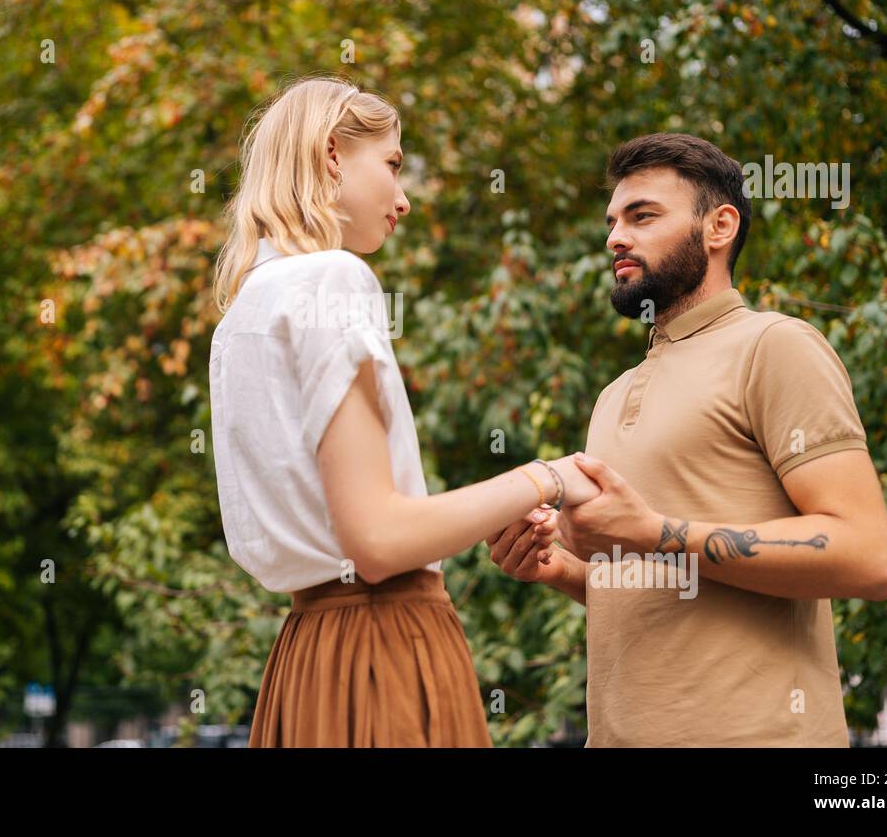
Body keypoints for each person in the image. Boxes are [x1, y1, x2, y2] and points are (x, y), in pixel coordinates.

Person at [209, 75, 600, 747]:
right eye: (391, 164)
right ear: (332, 155)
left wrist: (473, 513)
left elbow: (353, 522)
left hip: (308, 660)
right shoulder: (332, 278)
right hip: (383, 651)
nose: (404, 198)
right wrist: (546, 477)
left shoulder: (240, 316)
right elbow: (380, 541)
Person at [488, 133, 887, 746]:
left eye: (643, 215)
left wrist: (651, 531)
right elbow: (655, 582)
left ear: (719, 226)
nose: (615, 238)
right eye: (612, 221)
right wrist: (557, 569)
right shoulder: (612, 394)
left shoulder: (774, 346)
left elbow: (870, 558)